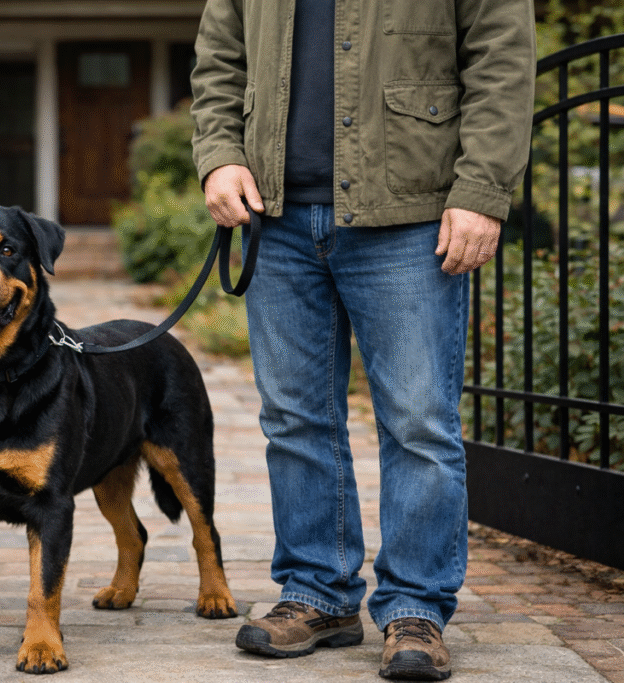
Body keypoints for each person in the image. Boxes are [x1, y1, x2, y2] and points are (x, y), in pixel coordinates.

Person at [190, 0, 535, 679]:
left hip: (411, 210)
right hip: (276, 210)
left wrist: (483, 188)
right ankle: (318, 592)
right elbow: (219, 53)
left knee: (418, 421)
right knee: (293, 417)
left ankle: (416, 606)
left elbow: (501, 53)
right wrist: (220, 155)